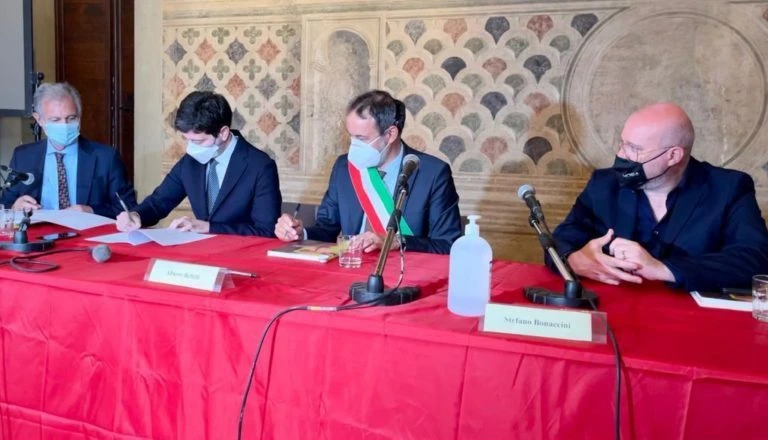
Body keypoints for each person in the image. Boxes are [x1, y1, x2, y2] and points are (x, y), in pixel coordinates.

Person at [550, 102, 768, 291]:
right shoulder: (604, 184)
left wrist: (662, 269)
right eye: (622, 143)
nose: (621, 155)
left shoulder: (728, 188)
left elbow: (754, 259)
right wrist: (574, 259)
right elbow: (559, 241)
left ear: (673, 155)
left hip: (692, 317)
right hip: (619, 309)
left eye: (634, 148)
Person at [274, 90, 462, 254]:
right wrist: (301, 232)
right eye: (351, 137)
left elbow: (447, 244)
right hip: (352, 269)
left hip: (408, 276)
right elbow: (327, 228)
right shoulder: (344, 167)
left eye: (361, 138)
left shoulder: (432, 173)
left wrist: (396, 241)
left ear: (390, 134)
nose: (354, 145)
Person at [116, 91, 281, 236]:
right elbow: (159, 202)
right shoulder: (190, 162)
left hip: (242, 255)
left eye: (199, 141)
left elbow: (266, 230)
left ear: (223, 133)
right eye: (187, 140)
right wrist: (136, 215)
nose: (191, 148)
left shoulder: (260, 166)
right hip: (200, 253)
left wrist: (209, 227)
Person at [0, 82, 137, 218]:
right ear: (39, 119)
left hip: (85, 229)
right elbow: (5, 204)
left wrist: (90, 211)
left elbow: (128, 208)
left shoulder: (105, 157)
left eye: (71, 118)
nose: (64, 125)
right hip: (38, 229)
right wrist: (14, 207)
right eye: (55, 120)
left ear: (80, 117)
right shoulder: (23, 156)